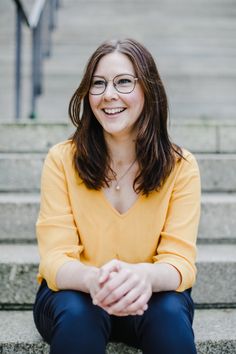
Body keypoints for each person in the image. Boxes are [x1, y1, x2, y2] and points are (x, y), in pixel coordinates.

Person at [33, 38, 201, 354]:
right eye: (98, 84)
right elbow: (56, 258)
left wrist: (143, 277)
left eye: (124, 81)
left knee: (168, 316)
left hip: (152, 293)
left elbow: (179, 262)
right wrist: (94, 280)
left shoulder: (181, 166)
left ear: (148, 90)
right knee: (79, 316)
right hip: (75, 292)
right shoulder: (61, 159)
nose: (109, 94)